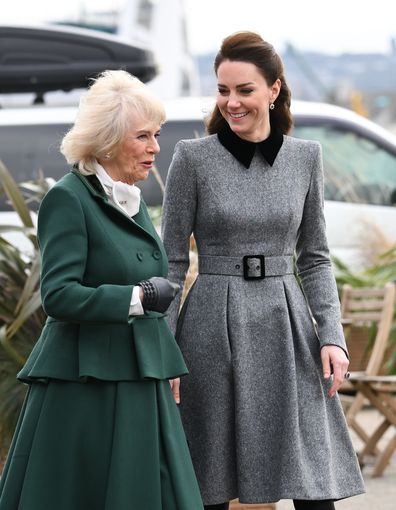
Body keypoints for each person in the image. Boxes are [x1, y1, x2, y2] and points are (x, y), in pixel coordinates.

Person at [162, 32, 365, 510]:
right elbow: (171, 259)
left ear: (274, 89)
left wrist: (331, 335)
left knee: (312, 480)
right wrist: (164, 346)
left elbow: (314, 255)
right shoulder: (192, 159)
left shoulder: (305, 158)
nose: (232, 102)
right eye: (223, 90)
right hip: (211, 327)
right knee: (210, 476)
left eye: (244, 90)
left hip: (287, 324)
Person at [0, 70, 204, 510]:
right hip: (86, 385)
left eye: (157, 135)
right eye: (143, 136)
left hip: (139, 376)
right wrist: (137, 298)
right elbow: (59, 294)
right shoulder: (68, 199)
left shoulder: (129, 197)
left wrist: (164, 360)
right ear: (109, 140)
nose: (155, 148)